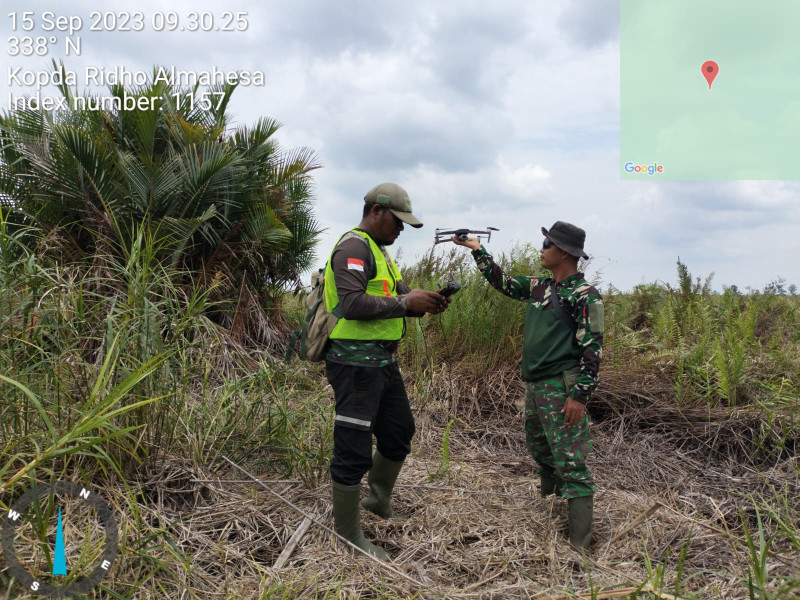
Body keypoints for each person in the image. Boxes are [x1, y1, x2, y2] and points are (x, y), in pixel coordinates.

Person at [453, 221, 603, 550]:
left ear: (564, 252)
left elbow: (593, 350)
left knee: (572, 463)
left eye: (547, 244)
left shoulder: (584, 295)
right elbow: (503, 282)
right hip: (535, 388)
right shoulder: (539, 287)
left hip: (562, 389)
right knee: (542, 452)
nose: (542, 248)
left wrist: (580, 397)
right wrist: (477, 249)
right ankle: (551, 514)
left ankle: (580, 544)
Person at [324, 182, 450, 560]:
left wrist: (422, 303)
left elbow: (392, 301)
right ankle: (348, 533)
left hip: (382, 362)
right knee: (353, 447)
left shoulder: (380, 253)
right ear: (376, 212)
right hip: (355, 364)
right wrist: (404, 301)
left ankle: (378, 499)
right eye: (397, 222)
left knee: (398, 432)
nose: (400, 230)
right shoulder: (352, 247)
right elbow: (351, 303)